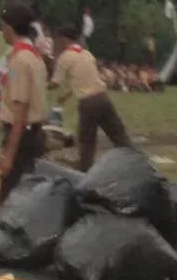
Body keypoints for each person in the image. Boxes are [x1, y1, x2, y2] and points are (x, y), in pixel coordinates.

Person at [50, 25, 132, 171]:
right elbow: (83, 80)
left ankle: (84, 170)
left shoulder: (65, 57)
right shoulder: (87, 54)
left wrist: (40, 81)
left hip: (88, 103)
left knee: (86, 142)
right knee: (119, 136)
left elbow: (54, 84)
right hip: (103, 98)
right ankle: (136, 161)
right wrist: (66, 96)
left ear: (63, 40)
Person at [0, 2, 50, 202]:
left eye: (2, 27)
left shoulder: (19, 61)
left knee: (9, 198)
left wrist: (9, 154)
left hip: (21, 136)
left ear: (9, 28)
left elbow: (21, 107)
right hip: (34, 134)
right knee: (29, 197)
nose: (2, 31)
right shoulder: (35, 57)